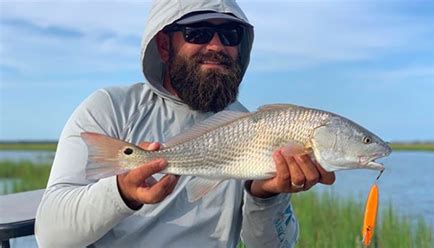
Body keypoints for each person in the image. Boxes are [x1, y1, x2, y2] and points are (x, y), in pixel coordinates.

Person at [35, 0, 335, 247]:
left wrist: (266, 195)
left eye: (231, 35)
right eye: (198, 33)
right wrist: (122, 192)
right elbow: (51, 235)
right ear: (164, 45)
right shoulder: (111, 108)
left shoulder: (255, 126)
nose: (217, 46)